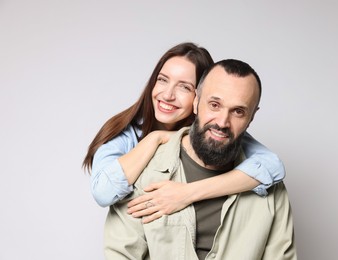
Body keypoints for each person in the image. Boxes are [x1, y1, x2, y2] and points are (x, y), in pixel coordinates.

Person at [104, 59, 297, 259]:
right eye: (214, 105)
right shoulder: (144, 172)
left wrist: (187, 194)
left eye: (238, 111)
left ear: (251, 117)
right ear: (196, 101)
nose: (222, 122)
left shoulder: (270, 190)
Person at [82, 42, 285, 223]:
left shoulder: (214, 132)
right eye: (162, 80)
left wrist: (187, 193)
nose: (168, 95)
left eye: (184, 87)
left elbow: (271, 165)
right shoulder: (126, 133)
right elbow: (103, 192)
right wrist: (155, 138)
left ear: (199, 98)